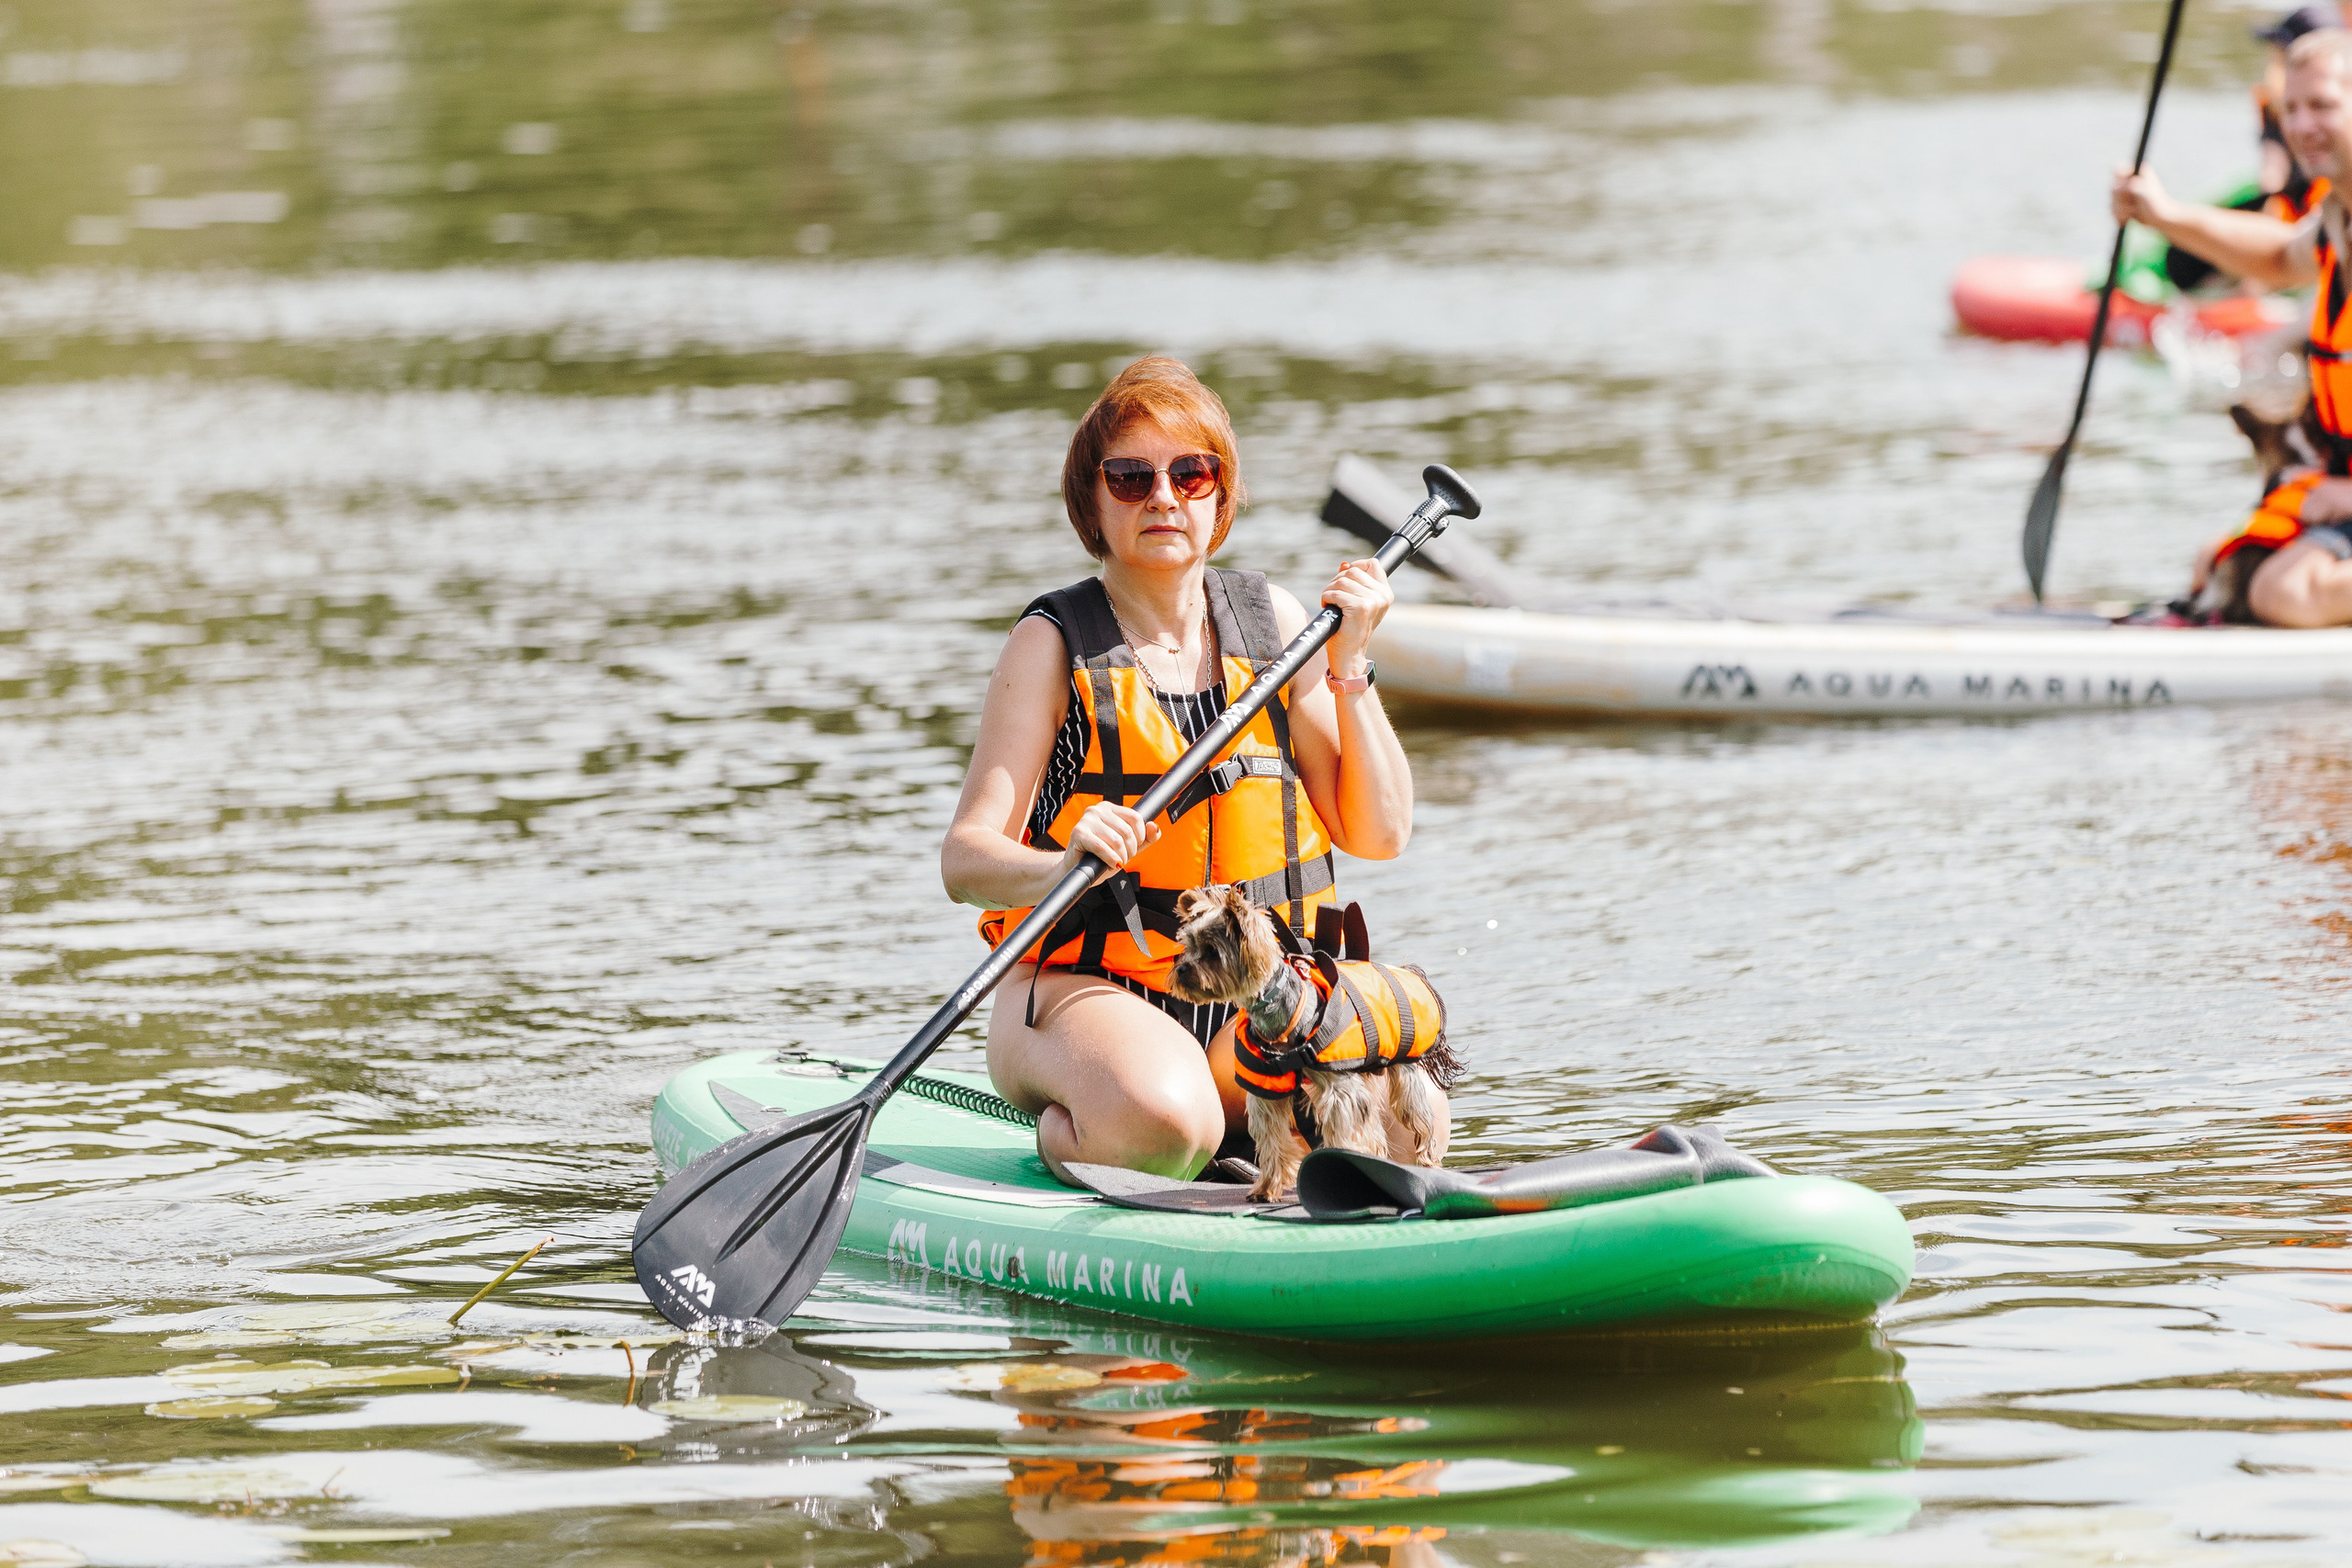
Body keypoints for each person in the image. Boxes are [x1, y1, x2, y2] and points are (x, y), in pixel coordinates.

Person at [940, 356, 1422, 1180]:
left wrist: (1349, 665)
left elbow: (1379, 832)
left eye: (1190, 473)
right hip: (1084, 992)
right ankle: (1082, 1130)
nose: (1164, 496)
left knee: (1406, 1132)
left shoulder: (1276, 625)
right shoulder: (1052, 644)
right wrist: (1063, 863)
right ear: (1093, 503)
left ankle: (1228, 1132)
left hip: (1249, 996)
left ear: (1218, 496)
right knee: (1169, 1123)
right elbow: (965, 861)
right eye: (1130, 477)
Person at [2115, 27, 2352, 626]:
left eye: (2322, 105)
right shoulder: (2336, 218)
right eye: (2291, 108)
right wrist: (2164, 216)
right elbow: (2276, 258)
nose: (2301, 127)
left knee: (2286, 591)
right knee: (2219, 567)